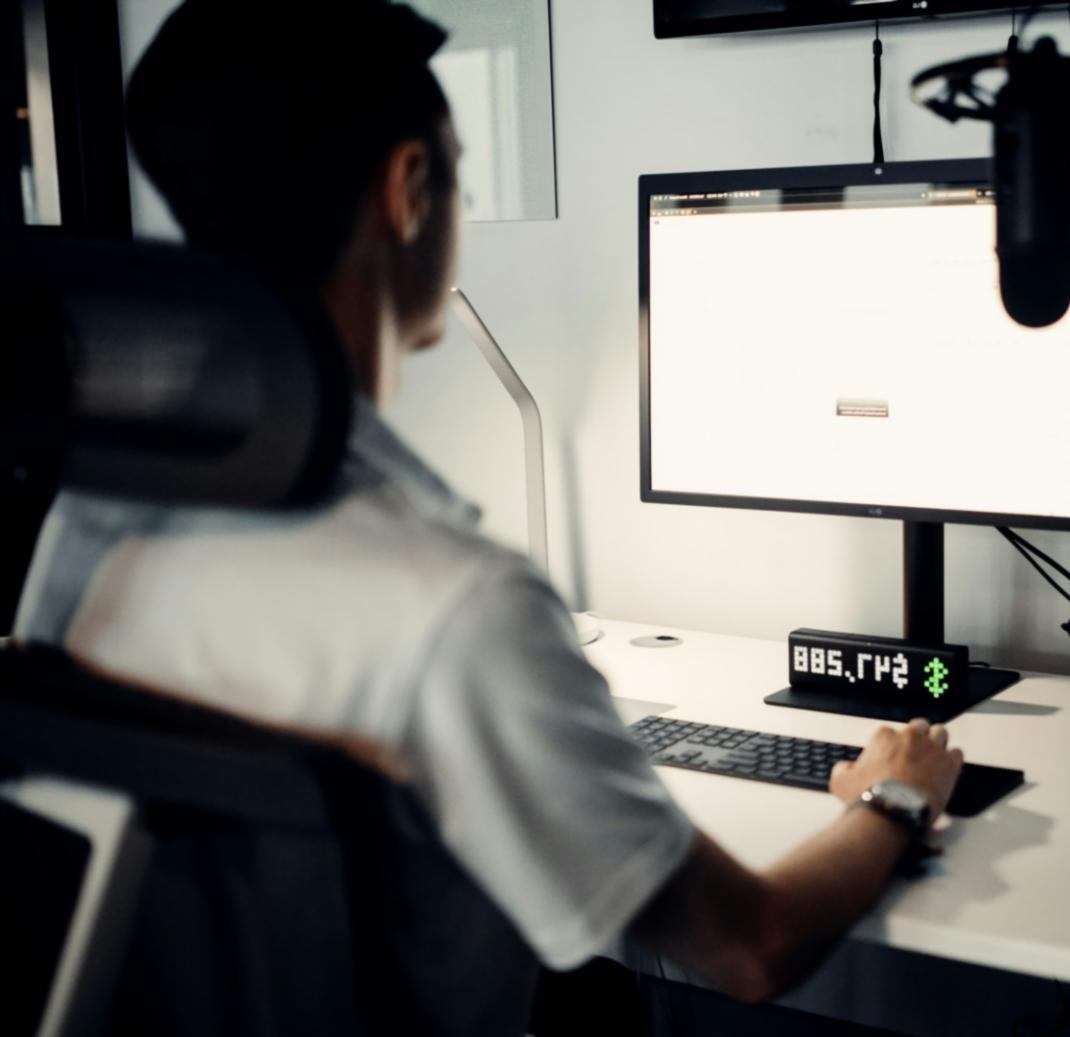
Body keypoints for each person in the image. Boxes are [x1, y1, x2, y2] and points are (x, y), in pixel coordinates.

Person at [14, 0, 965, 1005]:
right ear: (409, 188)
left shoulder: (89, 527)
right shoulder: (461, 608)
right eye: (459, 166)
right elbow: (751, 946)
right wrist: (893, 794)